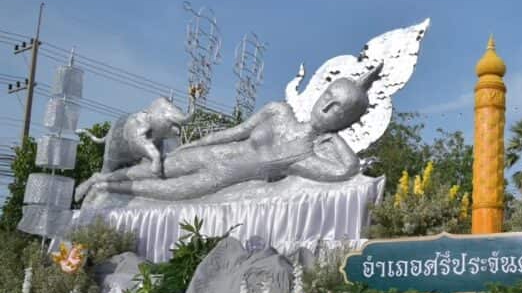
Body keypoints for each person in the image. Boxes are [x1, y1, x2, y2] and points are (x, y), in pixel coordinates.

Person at [75, 65, 380, 202]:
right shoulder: (278, 111)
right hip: (212, 154)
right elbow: (235, 132)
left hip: (217, 180)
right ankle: (98, 178)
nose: (326, 107)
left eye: (339, 110)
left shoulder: (304, 157)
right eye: (328, 96)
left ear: (346, 121)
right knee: (150, 170)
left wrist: (334, 139)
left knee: (152, 190)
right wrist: (194, 144)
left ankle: (102, 186)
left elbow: (346, 170)